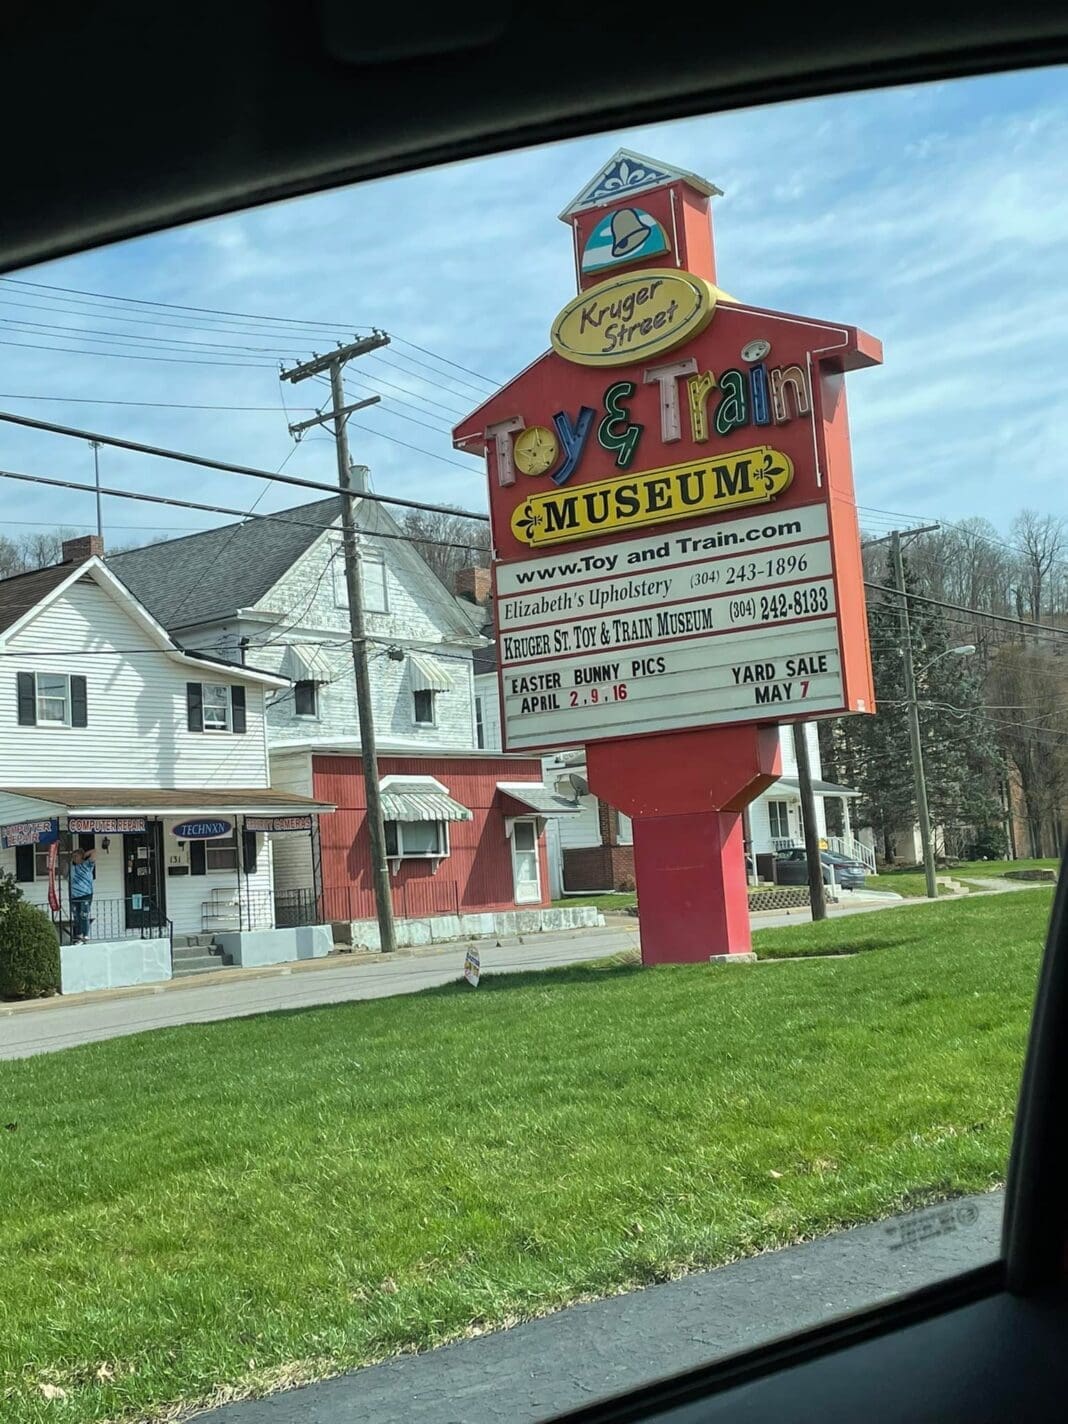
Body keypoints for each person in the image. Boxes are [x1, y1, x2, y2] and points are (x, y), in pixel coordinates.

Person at [69, 847, 96, 943]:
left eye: (76, 856)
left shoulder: (87, 864)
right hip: (74, 896)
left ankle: (85, 935)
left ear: (81, 856)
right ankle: (78, 935)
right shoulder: (72, 867)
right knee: (76, 916)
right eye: (73, 856)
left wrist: (84, 855)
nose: (74, 858)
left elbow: (94, 852)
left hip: (86, 894)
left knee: (83, 915)